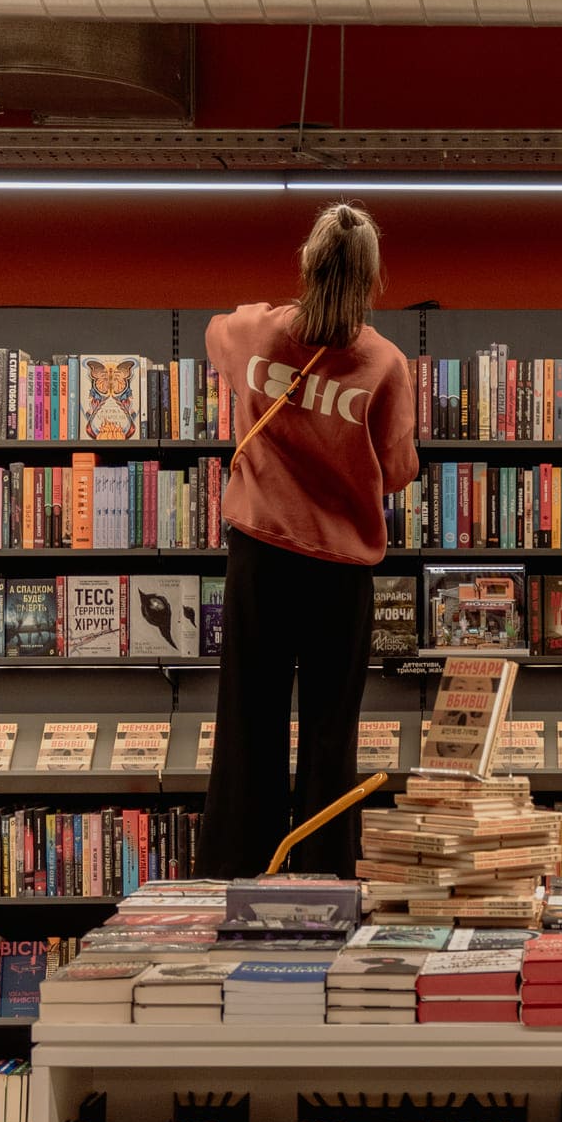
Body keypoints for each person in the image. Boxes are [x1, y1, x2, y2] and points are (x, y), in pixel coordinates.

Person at [201, 203, 418, 878]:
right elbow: (399, 470)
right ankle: (325, 872)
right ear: (372, 279)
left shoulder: (257, 331)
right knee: (331, 731)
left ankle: (238, 871)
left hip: (260, 554)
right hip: (338, 568)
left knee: (248, 718)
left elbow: (214, 336)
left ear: (306, 262)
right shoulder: (384, 363)